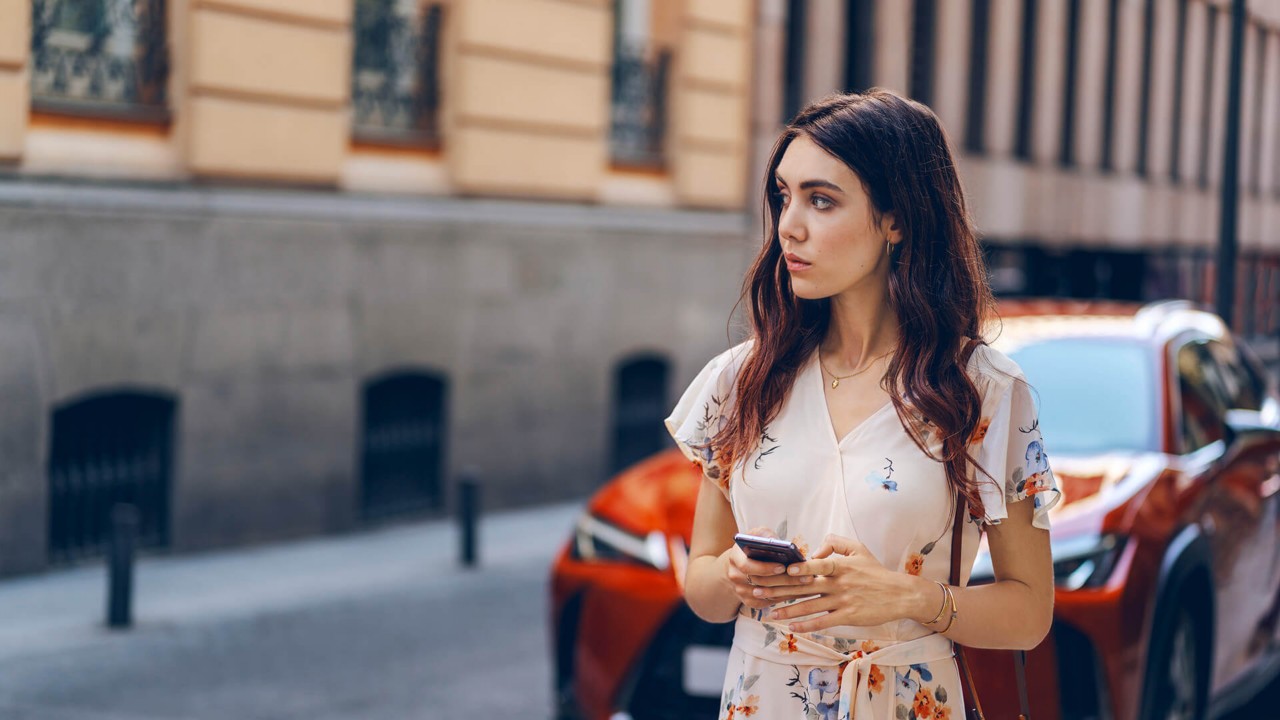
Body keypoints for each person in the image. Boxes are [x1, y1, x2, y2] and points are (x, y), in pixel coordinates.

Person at [664, 90, 1061, 720]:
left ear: (896, 219)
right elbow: (703, 592)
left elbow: (1029, 613)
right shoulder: (741, 378)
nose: (789, 224)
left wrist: (907, 597)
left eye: (821, 200)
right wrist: (738, 574)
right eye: (783, 196)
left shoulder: (981, 390)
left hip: (905, 698)